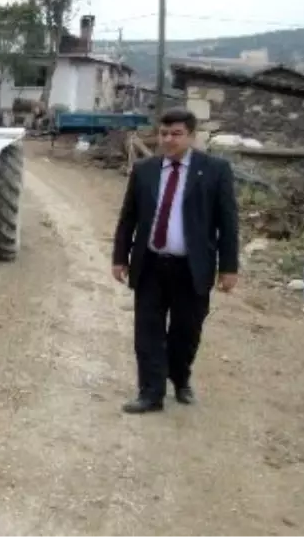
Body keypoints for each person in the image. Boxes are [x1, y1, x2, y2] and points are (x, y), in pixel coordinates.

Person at [111, 107, 239, 414]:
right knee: (147, 331)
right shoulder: (145, 170)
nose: (169, 140)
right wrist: (120, 257)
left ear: (191, 136)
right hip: (151, 265)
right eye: (164, 133)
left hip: (192, 268)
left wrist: (229, 267)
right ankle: (150, 393)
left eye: (176, 134)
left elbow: (228, 221)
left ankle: (180, 379)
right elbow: (128, 218)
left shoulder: (215, 170)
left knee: (186, 331)